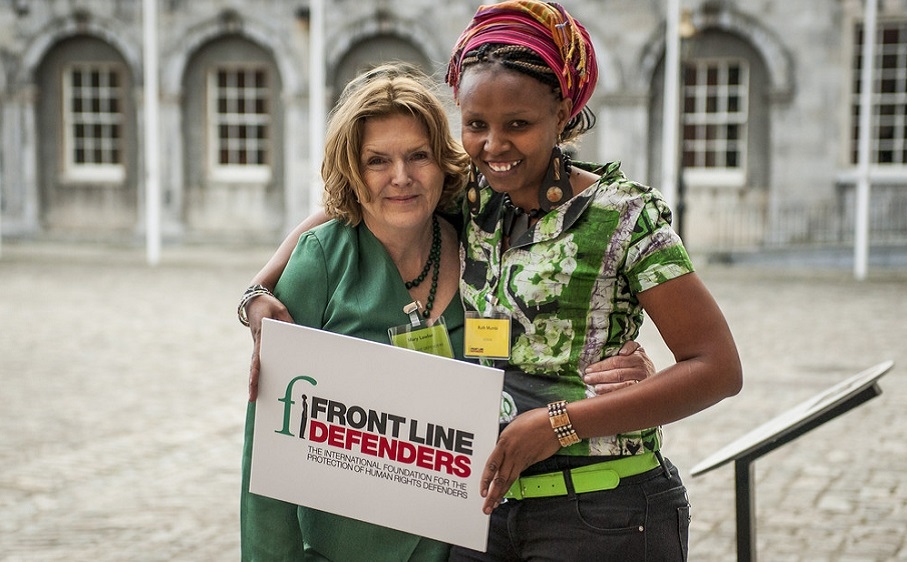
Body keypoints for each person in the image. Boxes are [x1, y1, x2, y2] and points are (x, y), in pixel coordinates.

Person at [238, 63, 656, 561]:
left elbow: (540, 347)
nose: (401, 178)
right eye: (377, 161)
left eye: (418, 156)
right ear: (353, 169)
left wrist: (617, 367)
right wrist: (255, 293)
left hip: (462, 546)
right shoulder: (323, 260)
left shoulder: (481, 246)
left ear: (444, 164)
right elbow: (267, 455)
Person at [441, 2, 742, 560]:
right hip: (484, 510)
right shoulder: (466, 201)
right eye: (476, 125)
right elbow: (355, 201)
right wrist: (259, 291)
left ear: (562, 115)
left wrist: (560, 424)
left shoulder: (624, 216)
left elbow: (717, 369)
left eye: (519, 125)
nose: (494, 145)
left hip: (605, 513)